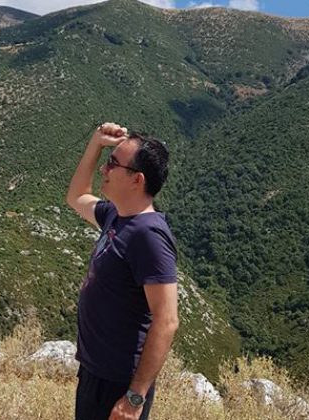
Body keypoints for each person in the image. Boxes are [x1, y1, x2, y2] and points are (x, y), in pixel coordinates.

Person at [66, 122, 179, 420]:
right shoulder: (116, 216)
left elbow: (167, 320)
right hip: (94, 373)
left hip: (118, 384)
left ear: (136, 180)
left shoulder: (149, 235)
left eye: (113, 163)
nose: (105, 169)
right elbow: (76, 196)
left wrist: (134, 398)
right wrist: (96, 143)